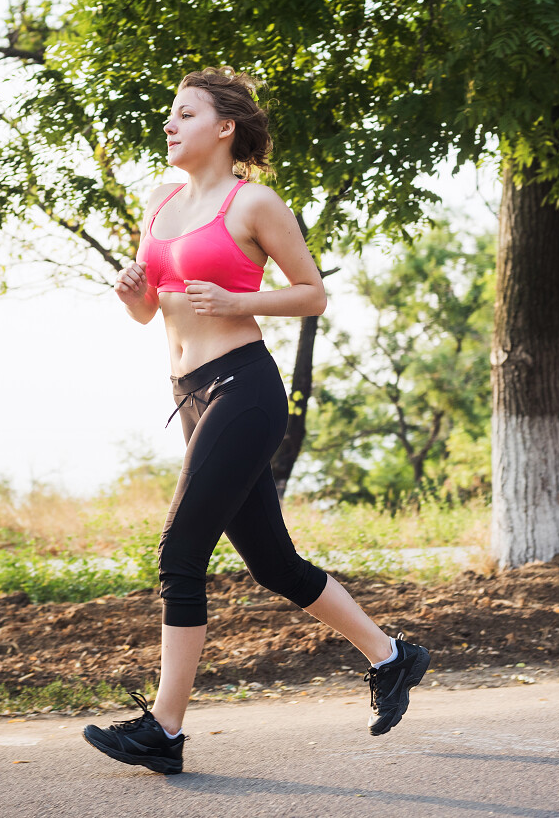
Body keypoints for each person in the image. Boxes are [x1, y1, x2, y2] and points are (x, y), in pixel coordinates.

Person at [82, 67, 430, 775]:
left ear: (224, 127)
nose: (169, 124)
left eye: (184, 113)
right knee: (272, 563)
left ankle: (164, 730)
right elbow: (154, 310)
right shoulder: (158, 202)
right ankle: (393, 657)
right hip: (192, 392)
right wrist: (130, 296)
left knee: (180, 554)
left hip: (246, 387)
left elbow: (312, 296)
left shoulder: (255, 203)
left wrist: (243, 302)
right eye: (169, 114)